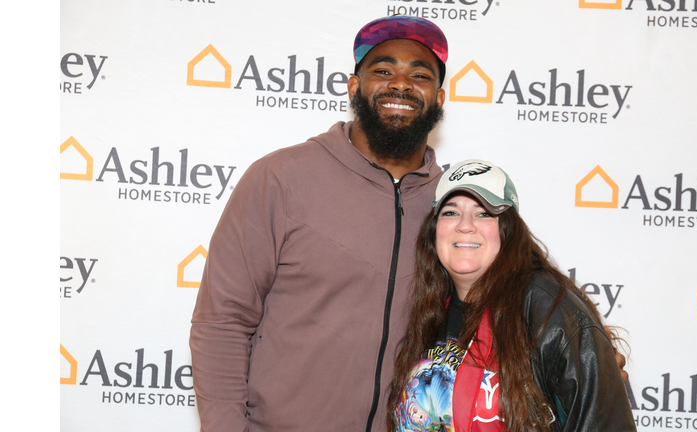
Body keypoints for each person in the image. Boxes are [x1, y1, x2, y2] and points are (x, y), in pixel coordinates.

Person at [190, 16, 627, 432]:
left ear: (439, 99)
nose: (401, 83)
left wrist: (579, 351)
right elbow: (222, 322)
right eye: (383, 70)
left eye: (420, 75)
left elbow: (507, 295)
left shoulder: (452, 208)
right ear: (354, 86)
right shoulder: (280, 179)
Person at [387, 160, 636, 432]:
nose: (465, 225)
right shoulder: (431, 309)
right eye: (450, 212)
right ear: (434, 230)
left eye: (484, 213)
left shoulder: (548, 308)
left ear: (508, 229)